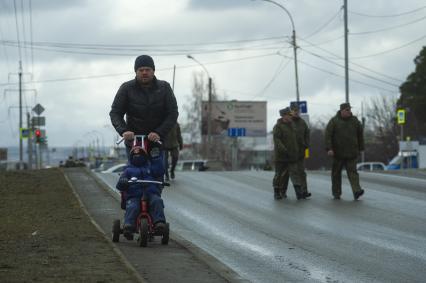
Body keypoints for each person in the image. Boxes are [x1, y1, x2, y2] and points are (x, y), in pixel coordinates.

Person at [110, 54, 179, 157]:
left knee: (157, 170)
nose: (144, 72)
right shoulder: (126, 88)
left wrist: (159, 133)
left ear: (153, 70)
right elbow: (115, 112)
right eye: (141, 70)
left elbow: (173, 113)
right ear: (136, 71)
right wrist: (124, 131)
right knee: (135, 169)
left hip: (157, 141)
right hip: (134, 141)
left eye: (148, 69)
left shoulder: (164, 87)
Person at [116, 145, 166, 240]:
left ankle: (159, 222)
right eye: (135, 155)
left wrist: (156, 159)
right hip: (134, 195)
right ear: (131, 157)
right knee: (132, 206)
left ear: (145, 156)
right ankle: (129, 225)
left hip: (151, 193)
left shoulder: (151, 168)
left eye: (140, 154)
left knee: (157, 201)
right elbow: (120, 185)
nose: (137, 156)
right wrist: (123, 181)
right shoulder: (128, 170)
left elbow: (160, 171)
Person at [325, 102, 365, 200]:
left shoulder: (355, 121)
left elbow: (360, 135)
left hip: (352, 152)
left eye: (350, 109)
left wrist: (361, 148)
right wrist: (329, 148)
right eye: (347, 110)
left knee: (353, 173)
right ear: (342, 110)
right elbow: (328, 136)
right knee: (336, 174)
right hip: (338, 153)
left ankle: (356, 191)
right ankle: (336, 193)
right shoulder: (334, 121)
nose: (349, 112)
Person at [280, 103, 311, 199]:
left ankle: (303, 191)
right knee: (287, 173)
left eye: (298, 111)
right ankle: (282, 191)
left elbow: (307, 134)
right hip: (289, 152)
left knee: (301, 172)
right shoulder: (288, 122)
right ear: (291, 112)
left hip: (300, 151)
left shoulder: (302, 123)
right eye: (294, 111)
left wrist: (306, 145)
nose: (297, 112)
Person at [272, 107, 303, 200]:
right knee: (279, 174)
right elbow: (277, 141)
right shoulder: (278, 127)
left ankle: (298, 193)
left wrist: (299, 148)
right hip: (281, 156)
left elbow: (296, 139)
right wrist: (284, 150)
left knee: (294, 173)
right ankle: (277, 191)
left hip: (293, 155)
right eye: (289, 115)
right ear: (284, 116)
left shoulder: (293, 126)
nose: (291, 116)